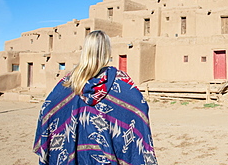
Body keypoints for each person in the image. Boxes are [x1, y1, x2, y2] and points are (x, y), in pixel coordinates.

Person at [33, 30, 157, 165]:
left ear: (85, 50)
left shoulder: (68, 82)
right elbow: (140, 108)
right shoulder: (120, 81)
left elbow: (47, 109)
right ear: (106, 52)